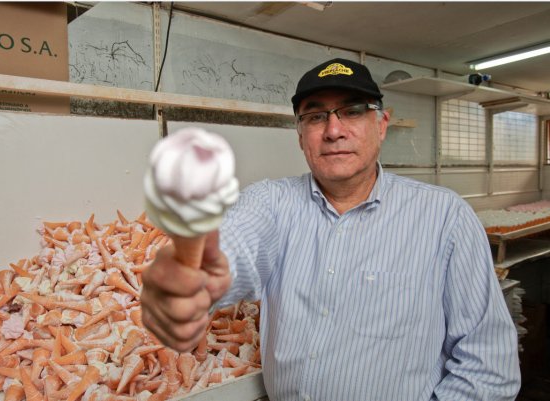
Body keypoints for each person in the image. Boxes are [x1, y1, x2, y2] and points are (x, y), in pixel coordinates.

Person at [141, 58, 521, 401]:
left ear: (382, 124)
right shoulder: (271, 203)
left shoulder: (445, 217)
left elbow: (487, 365)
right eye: (316, 116)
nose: (333, 130)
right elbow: (236, 245)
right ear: (300, 134)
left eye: (352, 111)